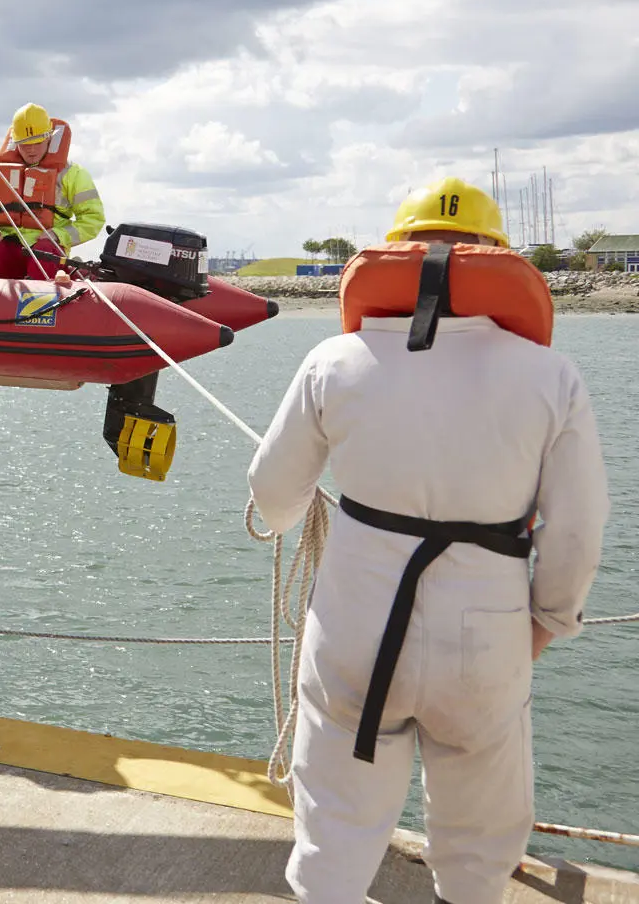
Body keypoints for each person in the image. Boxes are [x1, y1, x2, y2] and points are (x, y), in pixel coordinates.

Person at [248, 177, 607, 904]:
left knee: (334, 839)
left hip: (353, 627)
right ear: (495, 259)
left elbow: (274, 499)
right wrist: (546, 621)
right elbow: (578, 527)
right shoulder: (550, 377)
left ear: (398, 255)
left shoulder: (333, 361)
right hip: (485, 639)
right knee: (479, 847)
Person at [0, 103, 104, 281]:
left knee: (44, 252)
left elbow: (93, 219)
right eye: (24, 144)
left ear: (49, 138)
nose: (31, 150)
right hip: (7, 245)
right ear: (15, 142)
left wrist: (58, 235)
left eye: (37, 142)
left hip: (46, 251)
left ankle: (39, 303)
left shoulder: (73, 174)